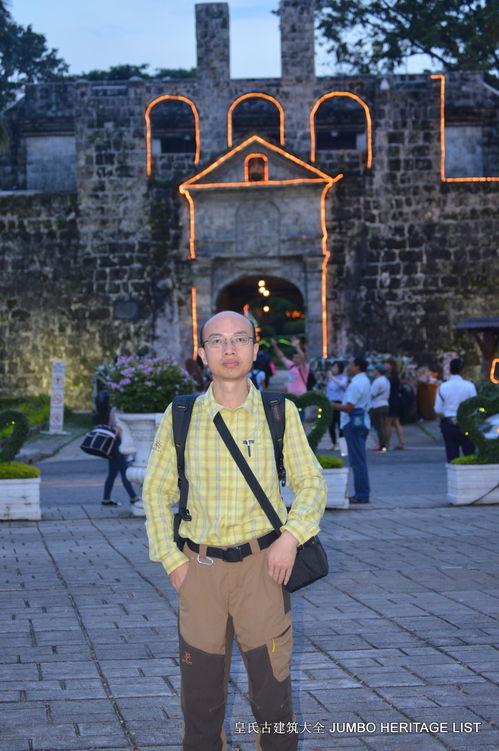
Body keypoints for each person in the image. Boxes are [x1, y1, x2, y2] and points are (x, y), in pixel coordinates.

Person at [143, 311, 327, 751]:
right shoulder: (181, 415)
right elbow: (155, 491)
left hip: (263, 568)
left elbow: (311, 483)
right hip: (199, 570)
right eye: (218, 341)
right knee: (201, 703)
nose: (229, 349)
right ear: (203, 353)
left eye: (240, 339)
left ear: (255, 349)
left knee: (273, 695)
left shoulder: (278, 412)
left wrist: (290, 539)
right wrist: (172, 560)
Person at [331, 356, 371, 504]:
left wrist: (330, 404)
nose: (348, 367)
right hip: (360, 422)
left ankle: (362, 494)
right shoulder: (363, 381)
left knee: (357, 461)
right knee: (359, 460)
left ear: (358, 367)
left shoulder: (356, 384)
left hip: (353, 424)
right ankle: (362, 493)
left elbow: (348, 407)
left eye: (351, 365)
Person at [95, 388, 141, 507]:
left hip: (112, 443)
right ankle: (133, 497)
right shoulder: (118, 410)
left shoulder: (111, 410)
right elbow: (118, 429)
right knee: (124, 471)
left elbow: (111, 425)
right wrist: (124, 446)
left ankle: (106, 498)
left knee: (112, 473)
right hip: (118, 444)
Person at [434, 357, 477, 462]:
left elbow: (437, 409)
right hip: (466, 424)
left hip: (449, 424)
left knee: (452, 456)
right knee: (470, 455)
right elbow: (474, 407)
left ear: (450, 370)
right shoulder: (470, 386)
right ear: (462, 370)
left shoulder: (443, 387)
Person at [270, 335, 309, 422]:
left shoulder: (304, 368)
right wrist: (274, 345)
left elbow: (303, 357)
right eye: (294, 357)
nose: (295, 359)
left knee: (300, 419)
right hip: (290, 397)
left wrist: (297, 347)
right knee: (290, 419)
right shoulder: (291, 366)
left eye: (297, 357)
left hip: (301, 397)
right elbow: (281, 356)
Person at [384, 358, 405, 450]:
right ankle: (401, 441)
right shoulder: (395, 376)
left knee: (388, 422)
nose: (385, 366)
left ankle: (387, 443)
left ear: (391, 366)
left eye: (387, 364)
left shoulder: (392, 377)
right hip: (396, 400)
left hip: (391, 401)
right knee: (396, 422)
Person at [326, 361, 347, 449]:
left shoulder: (343, 378)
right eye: (333, 367)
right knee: (331, 424)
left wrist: (332, 377)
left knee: (340, 425)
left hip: (339, 404)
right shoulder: (330, 379)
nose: (333, 369)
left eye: (336, 367)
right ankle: (334, 443)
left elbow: (342, 385)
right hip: (331, 403)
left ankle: (342, 446)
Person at [369, 364, 390, 452]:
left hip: (377, 405)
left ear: (378, 371)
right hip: (385, 404)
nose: (373, 372)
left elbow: (372, 394)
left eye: (374, 370)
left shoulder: (377, 381)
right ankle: (385, 444)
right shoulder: (386, 380)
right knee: (383, 426)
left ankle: (382, 445)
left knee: (378, 427)